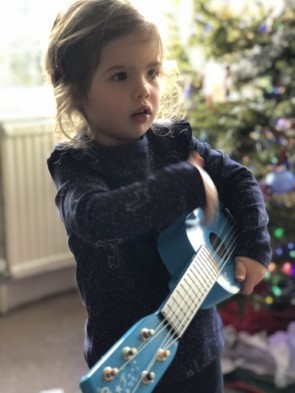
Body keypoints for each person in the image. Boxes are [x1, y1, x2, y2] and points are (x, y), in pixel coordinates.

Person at [45, 1, 271, 392]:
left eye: (152, 72)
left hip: (202, 347)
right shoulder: (76, 165)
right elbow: (93, 218)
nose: (143, 89)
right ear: (78, 93)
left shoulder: (174, 140)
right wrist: (185, 183)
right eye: (120, 76)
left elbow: (239, 179)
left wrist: (254, 243)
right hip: (129, 359)